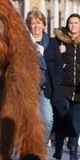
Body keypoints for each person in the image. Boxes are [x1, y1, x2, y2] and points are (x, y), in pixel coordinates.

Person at [52, 13, 80, 160]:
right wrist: (59, 53)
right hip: (64, 85)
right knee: (63, 116)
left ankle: (73, 149)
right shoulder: (59, 41)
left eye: (76, 23)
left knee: (75, 118)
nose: (73, 25)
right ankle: (59, 146)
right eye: (70, 23)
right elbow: (52, 60)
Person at [25, 10, 61, 145]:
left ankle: (41, 144)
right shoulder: (23, 44)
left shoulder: (51, 43)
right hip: (27, 88)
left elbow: (57, 66)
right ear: (28, 26)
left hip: (45, 88)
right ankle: (32, 147)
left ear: (44, 25)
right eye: (33, 24)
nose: (36, 27)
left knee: (47, 120)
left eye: (39, 23)